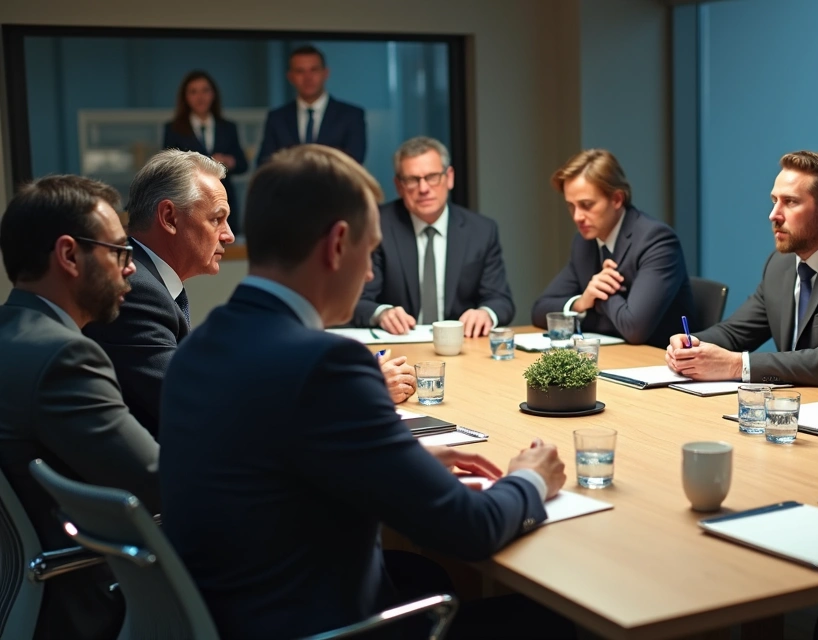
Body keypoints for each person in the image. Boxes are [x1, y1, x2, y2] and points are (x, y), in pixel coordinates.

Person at [160, 144, 568, 639]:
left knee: (425, 576)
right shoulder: (327, 364)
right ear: (337, 245)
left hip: (234, 615)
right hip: (324, 626)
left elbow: (275, 464)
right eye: (369, 250)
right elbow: (471, 530)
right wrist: (530, 479)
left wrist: (397, 460)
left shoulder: (200, 344)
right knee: (556, 624)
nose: (371, 273)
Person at [84, 151, 415, 437]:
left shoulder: (151, 281)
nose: (228, 235)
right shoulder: (136, 289)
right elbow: (202, 404)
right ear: (169, 217)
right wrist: (357, 392)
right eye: (217, 219)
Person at [0, 175, 160, 640]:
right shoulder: (64, 357)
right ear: (69, 255)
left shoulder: (13, 338)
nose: (131, 268)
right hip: (83, 611)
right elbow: (158, 483)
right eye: (119, 251)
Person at [666, 151, 818, 387]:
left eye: (790, 202)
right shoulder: (781, 263)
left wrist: (738, 365)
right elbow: (735, 333)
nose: (773, 215)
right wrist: (691, 345)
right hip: (790, 402)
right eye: (774, 201)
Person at [532, 149, 694, 348]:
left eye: (586, 205)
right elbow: (540, 310)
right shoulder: (584, 243)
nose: (577, 216)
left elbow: (635, 329)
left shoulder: (656, 240)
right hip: (615, 356)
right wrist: (581, 303)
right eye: (571, 206)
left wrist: (602, 294)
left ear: (617, 199)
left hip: (659, 359)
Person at [353, 136, 514, 337]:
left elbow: (500, 300)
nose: (423, 189)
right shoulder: (376, 226)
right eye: (412, 180)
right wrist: (382, 314)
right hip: (399, 342)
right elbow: (357, 300)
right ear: (399, 186)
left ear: (450, 177)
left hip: (462, 343)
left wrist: (486, 313)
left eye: (432, 177)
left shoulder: (481, 231)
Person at [162, 70, 249, 233]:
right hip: (191, 202)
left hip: (224, 200)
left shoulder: (228, 127)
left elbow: (243, 165)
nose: (200, 97)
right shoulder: (173, 129)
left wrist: (230, 162)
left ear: (213, 94)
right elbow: (169, 169)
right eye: (193, 92)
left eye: (205, 90)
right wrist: (206, 163)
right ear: (185, 97)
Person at [256, 45, 366, 166]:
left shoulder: (351, 115)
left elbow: (353, 162)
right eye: (300, 71)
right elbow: (265, 163)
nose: (308, 78)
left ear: (325, 73)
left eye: (314, 70)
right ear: (290, 77)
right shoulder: (277, 118)